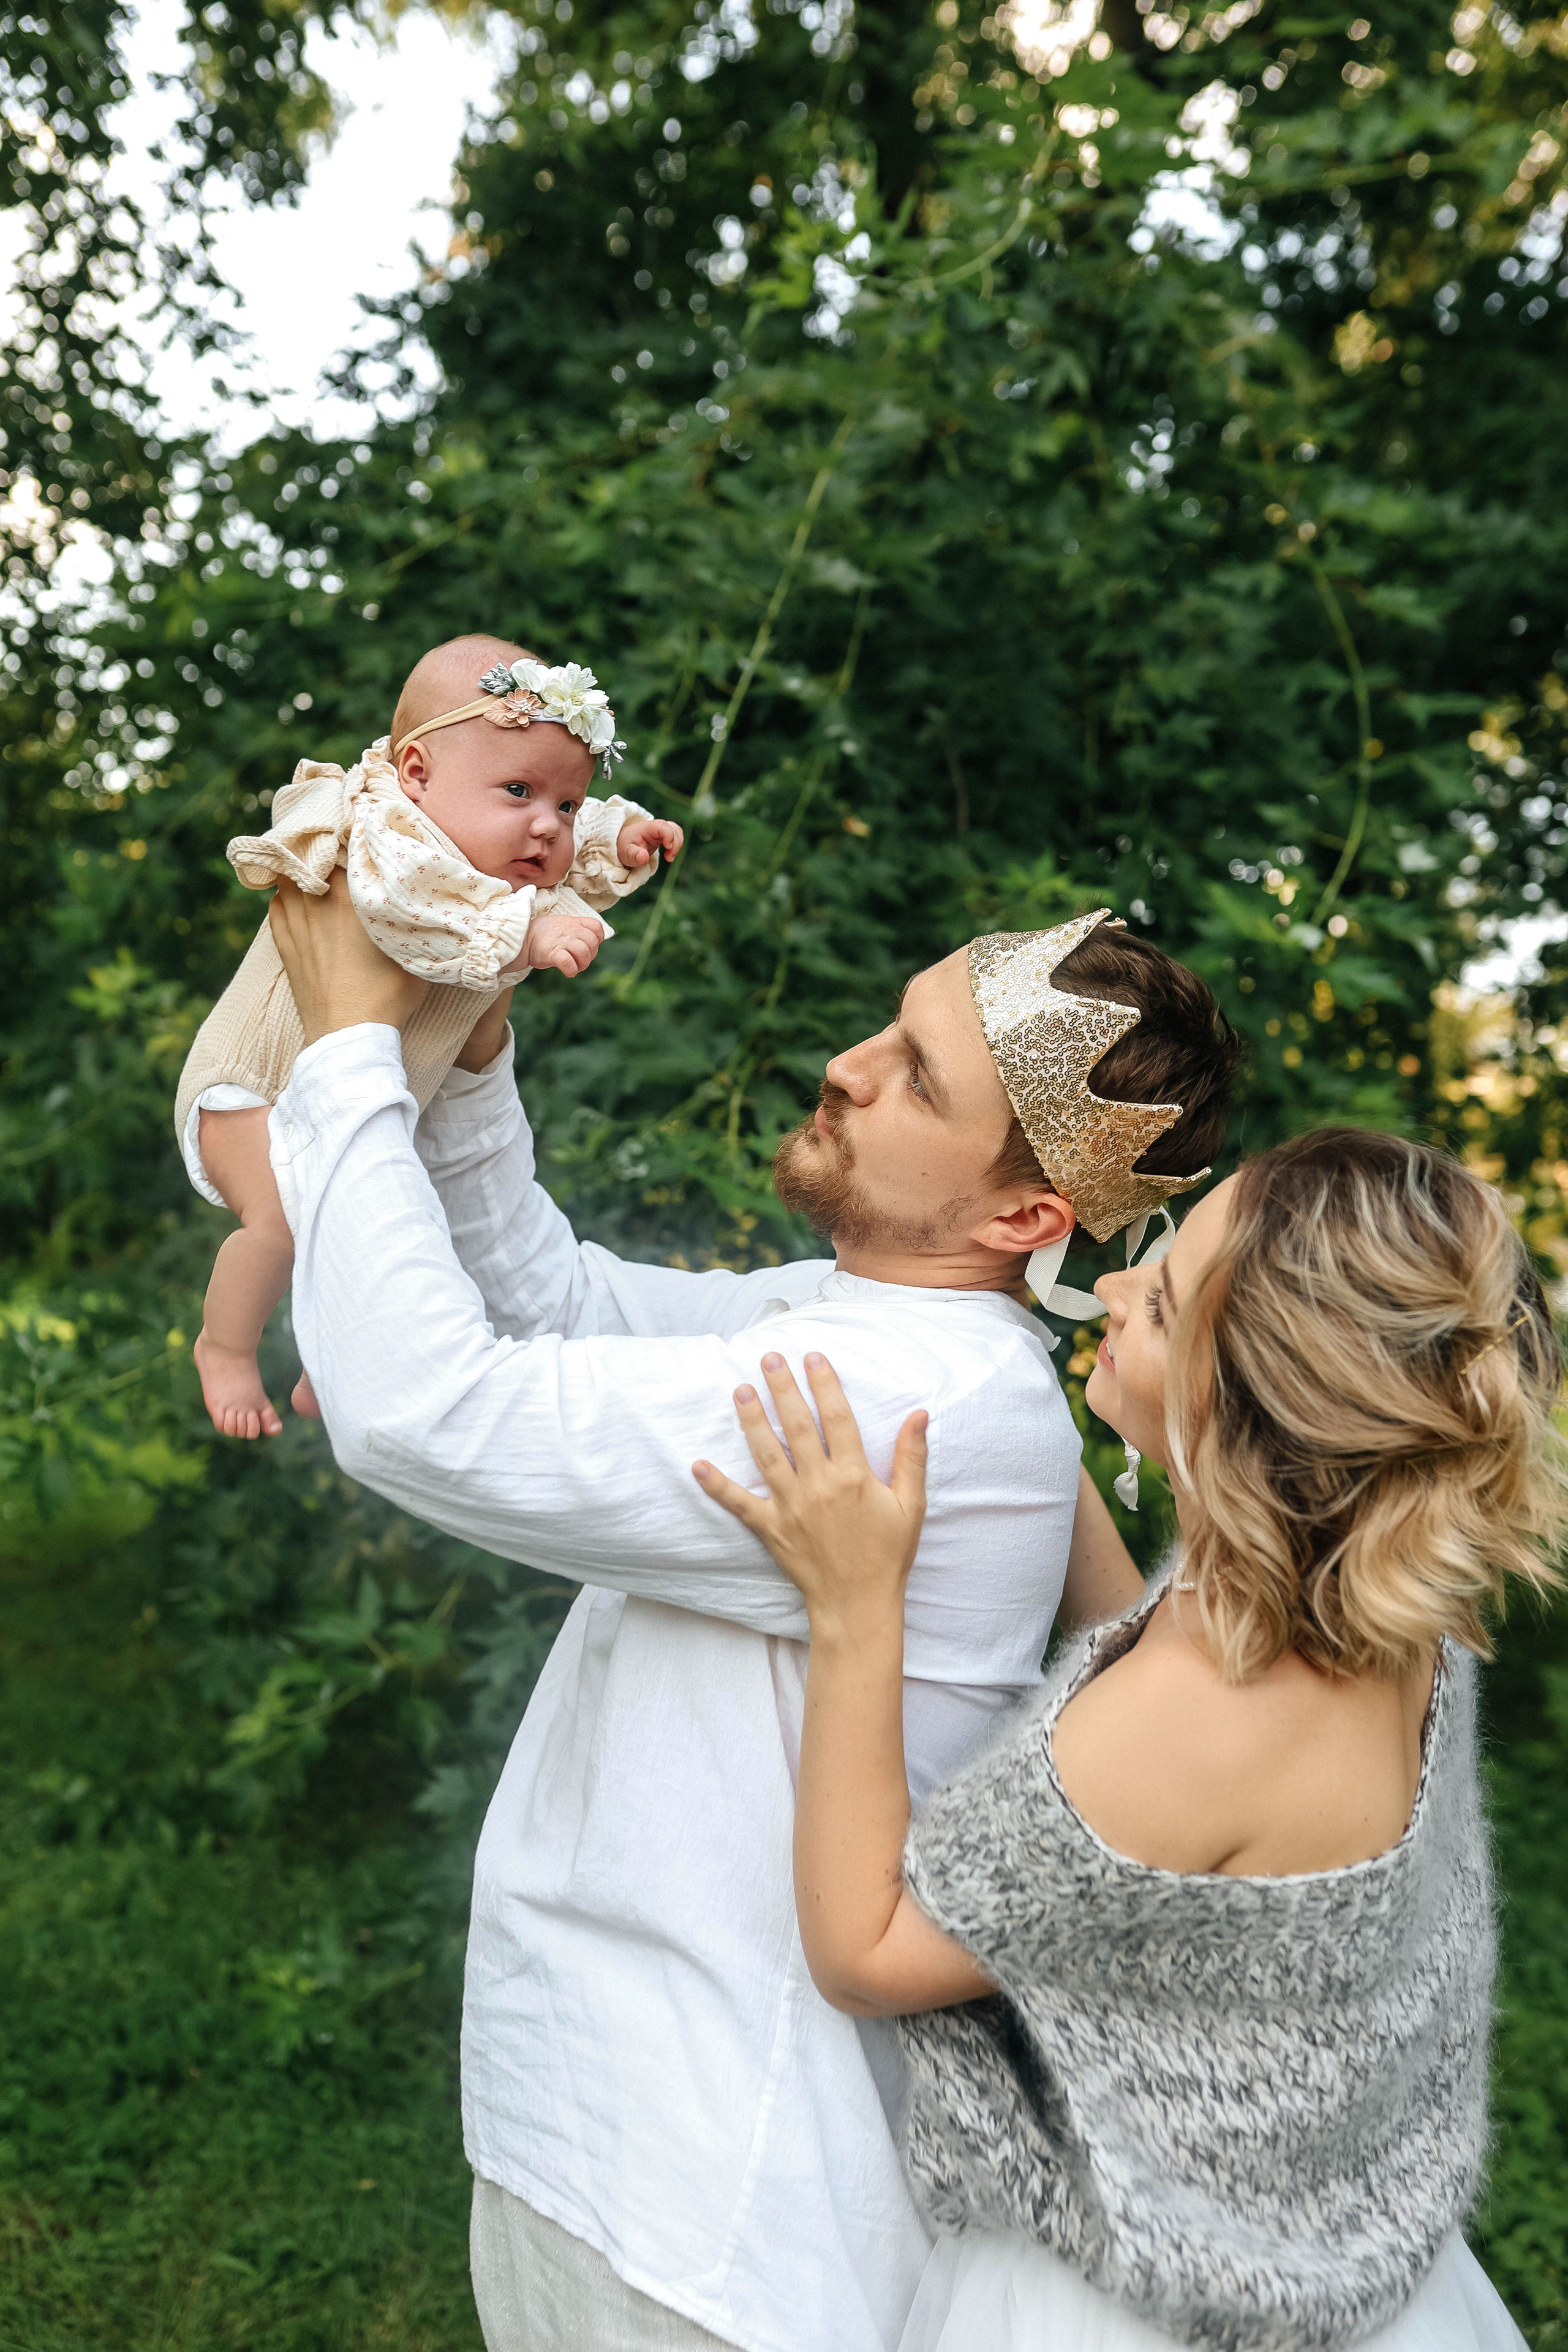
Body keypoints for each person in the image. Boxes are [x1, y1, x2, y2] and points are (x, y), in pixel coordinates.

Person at [262, 888, 1239, 2352]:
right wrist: (466, 1055)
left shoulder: (902, 1402)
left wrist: (349, 1039)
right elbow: (555, 1310)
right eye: (891, 1029)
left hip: (702, 2198)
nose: (848, 1064)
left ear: (1024, 1216)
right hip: (627, 2117)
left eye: (915, 1074)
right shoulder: (870, 1330)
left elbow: (432, 1411)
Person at [695, 1128, 1564, 2352]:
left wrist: (854, 1610)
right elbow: (1153, 1752)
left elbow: (871, 1949)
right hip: (1333, 2256)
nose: (1104, 1286)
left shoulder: (1205, 1705)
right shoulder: (1384, 1609)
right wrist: (1039, 1464)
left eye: (1155, 1301)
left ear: (1243, 1407)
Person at [176, 634, 680, 1438]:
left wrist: (620, 841)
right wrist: (528, 938)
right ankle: (224, 1346)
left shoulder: (496, 845)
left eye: (569, 804)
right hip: (255, 1087)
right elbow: (407, 916)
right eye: (520, 790)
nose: (548, 827)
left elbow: (555, 841)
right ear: (416, 774)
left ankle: (329, 1366)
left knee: (388, 1232)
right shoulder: (386, 834)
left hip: (355, 1092)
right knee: (283, 1222)